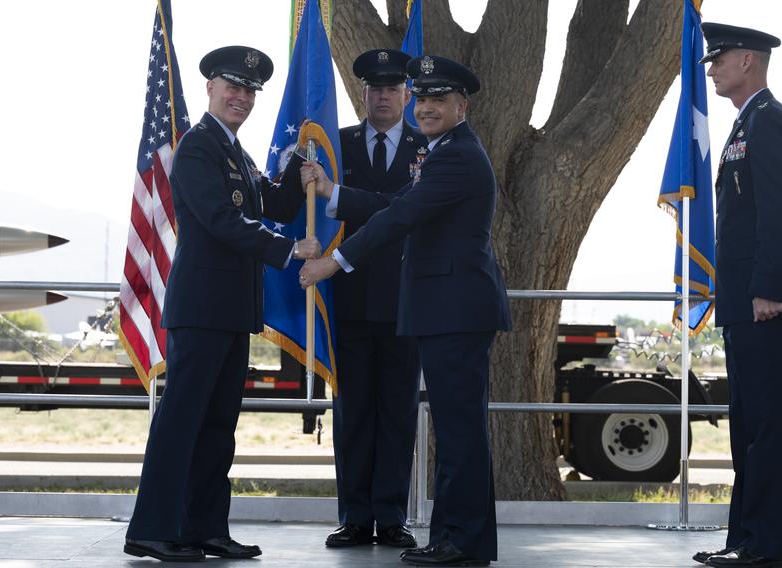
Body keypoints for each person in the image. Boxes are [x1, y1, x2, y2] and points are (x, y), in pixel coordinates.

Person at [300, 55, 510, 567]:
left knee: (458, 433)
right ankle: (462, 538)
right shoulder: (447, 151)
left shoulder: (454, 155)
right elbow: (395, 210)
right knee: (460, 430)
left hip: (454, 310)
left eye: (439, 100)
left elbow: (401, 215)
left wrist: (334, 261)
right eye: (424, 99)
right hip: (446, 310)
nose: (427, 108)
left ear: (462, 106)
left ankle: (459, 541)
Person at [124, 45, 321, 562]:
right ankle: (152, 529)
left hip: (232, 311)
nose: (241, 97)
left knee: (217, 429)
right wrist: (286, 250)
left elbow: (269, 206)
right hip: (202, 308)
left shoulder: (237, 152)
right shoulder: (197, 147)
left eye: (249, 90)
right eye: (231, 87)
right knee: (181, 423)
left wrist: (299, 169)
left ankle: (204, 529)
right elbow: (219, 219)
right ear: (210, 88)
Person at [692, 23, 782, 568]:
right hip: (743, 302)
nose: (711, 68)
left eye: (718, 59)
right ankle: (745, 540)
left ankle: (765, 548)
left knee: (765, 428)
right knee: (746, 428)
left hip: (766, 302)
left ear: (747, 61)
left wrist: (767, 289)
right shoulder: (747, 122)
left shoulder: (771, 122)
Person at [324, 48, 427, 550]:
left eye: (392, 88)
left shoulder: (427, 147)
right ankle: (353, 517)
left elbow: (411, 209)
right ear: (362, 92)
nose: (383, 95)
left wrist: (338, 194)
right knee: (353, 413)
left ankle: (391, 517)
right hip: (347, 299)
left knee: (398, 412)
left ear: (407, 95)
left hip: (406, 301)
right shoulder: (334, 144)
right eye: (374, 88)